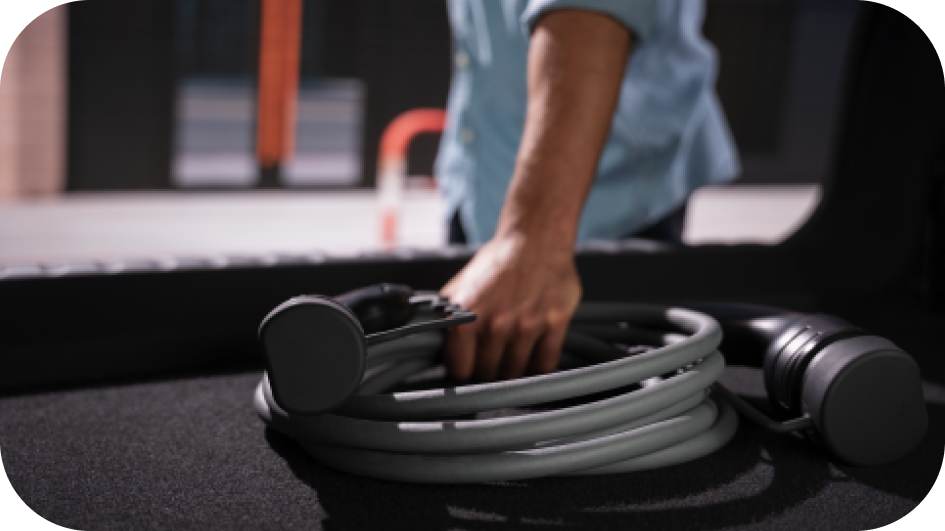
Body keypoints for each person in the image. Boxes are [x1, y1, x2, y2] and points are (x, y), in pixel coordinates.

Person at [434, 0, 739, 382]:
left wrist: (532, 238)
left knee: (623, 395)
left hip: (597, 199)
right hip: (481, 177)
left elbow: (588, 8)